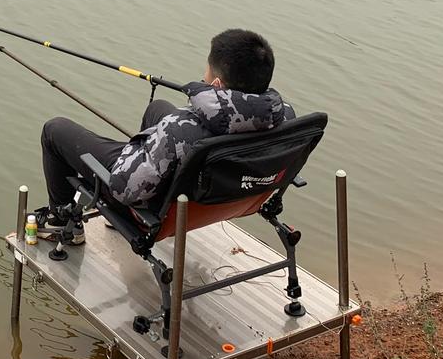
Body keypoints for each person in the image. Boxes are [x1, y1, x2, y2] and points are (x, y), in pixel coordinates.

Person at [38, 29, 294, 243]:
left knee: (55, 129)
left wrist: (138, 150)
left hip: (153, 215)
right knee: (158, 107)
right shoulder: (287, 117)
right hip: (234, 200)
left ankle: (61, 223)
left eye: (206, 72)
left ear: (216, 85)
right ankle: (146, 161)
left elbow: (124, 189)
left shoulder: (181, 128)